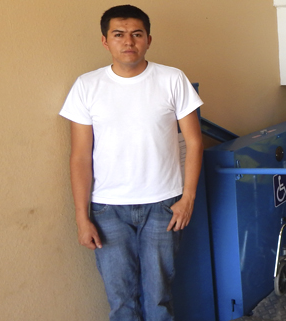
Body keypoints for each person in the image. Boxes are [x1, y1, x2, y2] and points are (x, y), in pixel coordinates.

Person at [59, 5, 203, 320]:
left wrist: (187, 197)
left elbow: (194, 142)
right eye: (119, 34)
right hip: (108, 210)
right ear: (105, 41)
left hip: (162, 206)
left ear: (148, 39)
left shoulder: (172, 79)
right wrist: (81, 218)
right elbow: (80, 156)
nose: (129, 42)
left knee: (159, 300)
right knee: (121, 302)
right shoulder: (87, 86)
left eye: (137, 34)